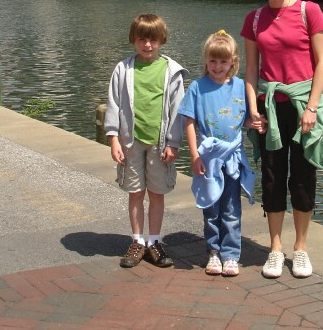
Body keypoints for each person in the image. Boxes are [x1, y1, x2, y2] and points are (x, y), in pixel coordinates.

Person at [241, 0, 323, 280]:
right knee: (272, 176)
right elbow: (251, 70)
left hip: (303, 104)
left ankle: (301, 247)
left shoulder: (310, 11)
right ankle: (276, 248)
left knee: (304, 176)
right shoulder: (254, 19)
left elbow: (322, 62)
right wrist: (253, 110)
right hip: (270, 106)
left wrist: (312, 108)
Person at [104, 14, 188, 268]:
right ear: (134, 40)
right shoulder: (123, 69)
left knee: (157, 192)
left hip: (159, 142)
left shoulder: (172, 71)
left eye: (153, 40)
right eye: (142, 39)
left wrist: (174, 142)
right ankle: (137, 240)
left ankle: (154, 241)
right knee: (135, 192)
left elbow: (177, 109)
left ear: (162, 40)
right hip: (131, 140)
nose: (148, 45)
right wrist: (113, 138)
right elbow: (114, 104)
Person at [178, 30, 255, 277]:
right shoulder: (197, 87)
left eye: (223, 61)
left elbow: (243, 119)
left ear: (233, 61)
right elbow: (190, 122)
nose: (217, 66)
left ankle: (230, 254)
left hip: (233, 156)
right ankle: (213, 250)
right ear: (205, 60)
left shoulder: (240, 86)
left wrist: (254, 123)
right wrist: (194, 156)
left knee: (231, 207)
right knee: (211, 206)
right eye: (213, 60)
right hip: (208, 157)